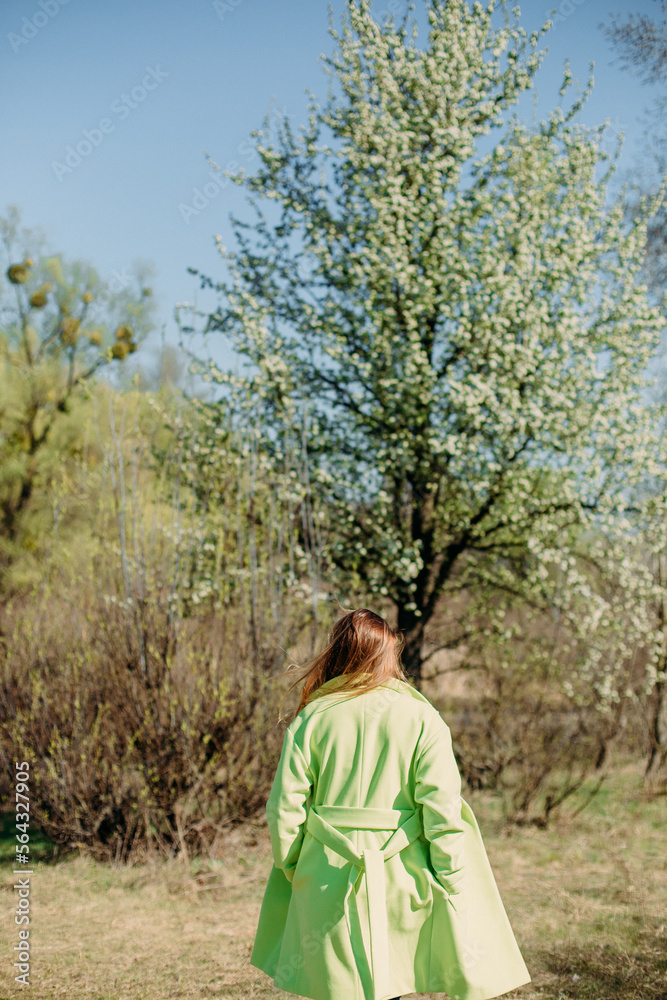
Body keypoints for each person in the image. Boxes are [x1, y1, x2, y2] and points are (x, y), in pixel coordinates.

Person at [250, 608, 531, 1000]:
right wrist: (450, 877)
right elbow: (442, 811)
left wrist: (295, 866)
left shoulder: (312, 718)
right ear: (390, 655)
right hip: (403, 877)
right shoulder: (423, 718)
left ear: (338, 652)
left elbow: (283, 809)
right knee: (386, 984)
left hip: (324, 876)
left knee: (334, 987)